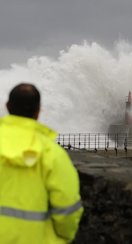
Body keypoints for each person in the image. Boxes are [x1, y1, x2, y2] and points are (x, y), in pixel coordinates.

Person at [0, 83, 83, 244]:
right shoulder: (52, 153)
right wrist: (65, 236)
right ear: (38, 111)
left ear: (7, 107)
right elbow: (66, 205)